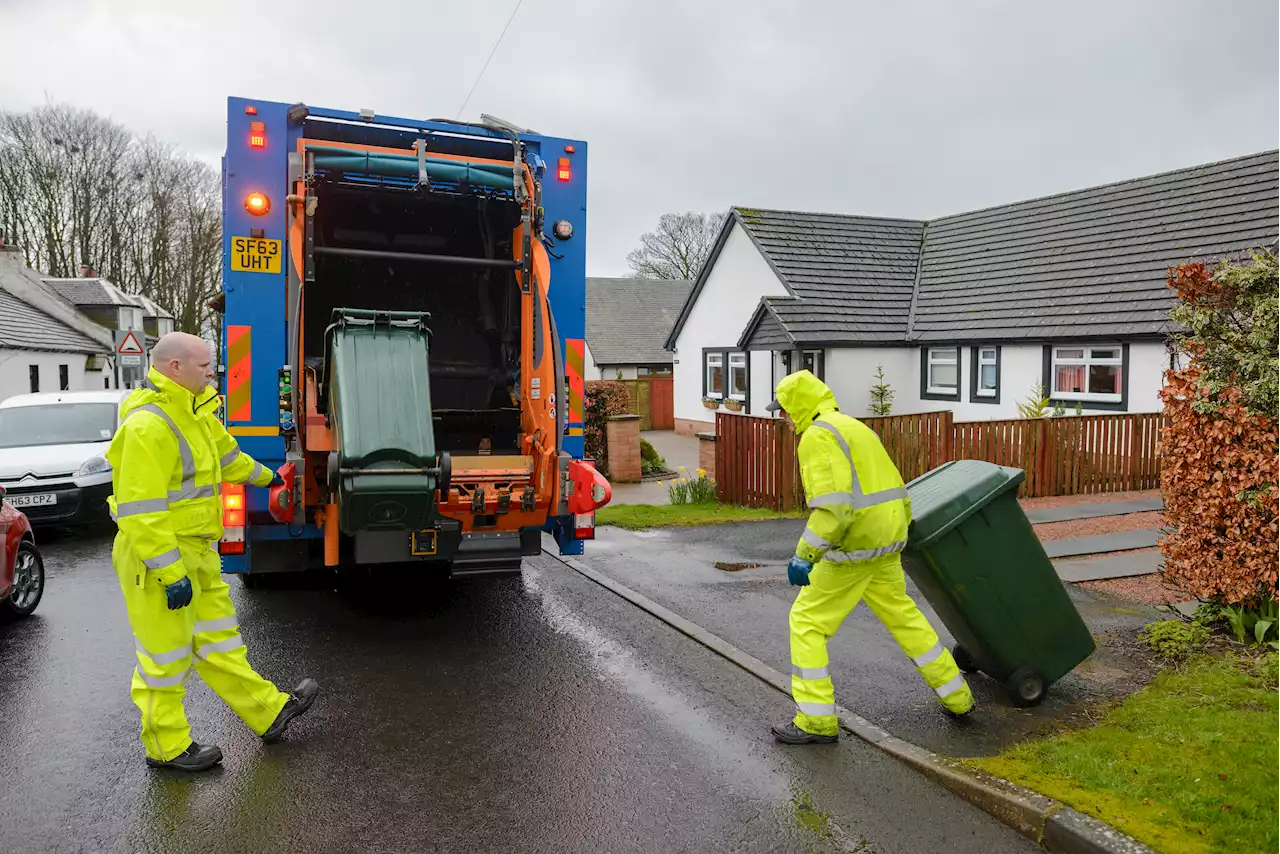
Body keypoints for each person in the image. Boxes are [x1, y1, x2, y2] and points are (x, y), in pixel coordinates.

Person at [107, 332, 319, 771]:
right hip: (159, 558)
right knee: (163, 658)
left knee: (221, 645)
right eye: (204, 364)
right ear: (174, 368)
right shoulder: (147, 426)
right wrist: (169, 573)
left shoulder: (198, 413)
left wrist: (271, 479)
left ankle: (268, 711)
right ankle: (167, 747)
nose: (213, 370)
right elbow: (139, 511)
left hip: (198, 553)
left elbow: (229, 460)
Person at [766, 370, 973, 744]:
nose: (782, 418)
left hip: (854, 546)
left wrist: (805, 555)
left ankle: (815, 721)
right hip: (889, 539)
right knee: (905, 618)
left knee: (806, 621)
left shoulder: (817, 436)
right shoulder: (855, 428)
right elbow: (894, 484)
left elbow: (833, 509)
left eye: (782, 410)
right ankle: (959, 697)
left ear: (795, 406)